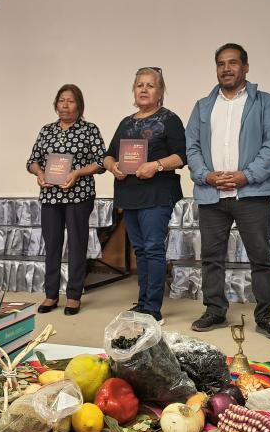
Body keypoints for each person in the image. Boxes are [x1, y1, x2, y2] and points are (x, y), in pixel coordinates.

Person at [185, 43, 270, 340]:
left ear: (245, 67)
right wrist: (206, 176)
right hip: (211, 194)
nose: (226, 68)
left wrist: (246, 176)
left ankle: (266, 315)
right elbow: (192, 147)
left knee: (260, 256)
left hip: (251, 194)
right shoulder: (203, 106)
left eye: (233, 62)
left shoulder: (265, 103)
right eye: (221, 63)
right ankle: (215, 310)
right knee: (211, 257)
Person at [104, 67, 186, 324]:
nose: (144, 89)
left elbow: (182, 156)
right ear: (134, 90)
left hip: (157, 195)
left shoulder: (170, 119)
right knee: (140, 250)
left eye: (150, 85)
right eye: (140, 85)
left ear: (160, 92)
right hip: (129, 195)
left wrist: (156, 165)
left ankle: (152, 309)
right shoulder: (126, 122)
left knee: (152, 249)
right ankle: (142, 303)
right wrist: (113, 166)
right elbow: (108, 155)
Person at [27, 84, 106, 316]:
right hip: (50, 196)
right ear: (56, 104)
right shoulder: (47, 130)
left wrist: (77, 173)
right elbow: (32, 161)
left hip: (79, 195)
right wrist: (40, 173)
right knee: (51, 244)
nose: (65, 105)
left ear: (79, 105)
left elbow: (101, 162)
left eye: (70, 101)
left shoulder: (89, 130)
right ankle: (51, 294)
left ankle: (73, 296)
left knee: (77, 245)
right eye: (61, 100)